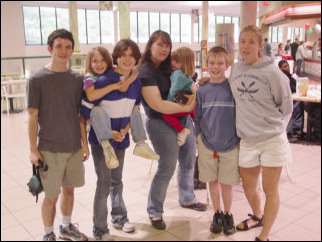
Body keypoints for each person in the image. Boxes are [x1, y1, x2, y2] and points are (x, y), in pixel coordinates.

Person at [138, 30, 207, 230]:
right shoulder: (145, 72)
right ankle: (154, 210)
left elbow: (189, 83)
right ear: (150, 45)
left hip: (183, 120)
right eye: (160, 44)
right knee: (167, 166)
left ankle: (187, 198)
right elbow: (158, 105)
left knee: (187, 161)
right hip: (161, 123)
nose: (164, 49)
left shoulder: (172, 66)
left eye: (167, 45)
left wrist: (199, 84)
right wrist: (186, 107)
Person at [231, 25, 293, 241]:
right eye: (242, 41)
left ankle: (264, 235)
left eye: (251, 42)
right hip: (247, 139)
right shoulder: (236, 69)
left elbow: (286, 107)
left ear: (260, 46)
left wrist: (274, 128)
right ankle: (258, 216)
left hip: (272, 139)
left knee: (269, 188)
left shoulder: (273, 72)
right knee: (248, 186)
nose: (245, 46)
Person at [28, 29, 89, 241]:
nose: (63, 51)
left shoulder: (77, 79)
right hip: (49, 148)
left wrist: (84, 144)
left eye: (68, 47)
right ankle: (48, 233)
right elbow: (33, 116)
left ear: (72, 49)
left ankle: (66, 226)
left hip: (73, 146)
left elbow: (80, 114)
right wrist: (33, 149)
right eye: (59, 46)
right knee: (51, 197)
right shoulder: (37, 79)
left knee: (69, 191)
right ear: (49, 49)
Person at [86, 39, 145, 240]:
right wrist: (109, 133)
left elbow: (133, 108)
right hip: (102, 141)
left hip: (120, 138)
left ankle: (119, 217)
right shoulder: (103, 80)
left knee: (116, 180)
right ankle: (100, 228)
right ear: (116, 57)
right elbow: (89, 111)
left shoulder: (136, 81)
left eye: (132, 55)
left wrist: (125, 130)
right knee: (103, 183)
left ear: (136, 58)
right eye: (123, 55)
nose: (127, 59)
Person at [80, 47, 159, 169]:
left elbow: (133, 71)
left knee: (134, 109)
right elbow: (90, 99)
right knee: (96, 110)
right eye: (95, 61)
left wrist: (125, 129)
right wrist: (116, 86)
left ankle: (140, 144)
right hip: (100, 130)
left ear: (109, 61)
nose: (99, 64)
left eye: (102, 60)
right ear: (89, 64)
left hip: (120, 134)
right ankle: (105, 144)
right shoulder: (90, 80)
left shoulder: (114, 73)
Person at [195, 46, 240, 236]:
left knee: (226, 183)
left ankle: (228, 214)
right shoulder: (202, 89)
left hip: (230, 144)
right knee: (212, 181)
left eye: (220, 63)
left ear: (227, 65)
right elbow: (198, 117)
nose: (215, 67)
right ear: (206, 65)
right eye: (212, 63)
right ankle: (217, 213)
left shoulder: (233, 88)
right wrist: (200, 138)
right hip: (207, 144)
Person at [162, 47, 195, 146]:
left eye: (177, 61)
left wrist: (168, 104)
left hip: (179, 104)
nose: (173, 63)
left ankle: (182, 130)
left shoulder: (178, 74)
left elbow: (174, 90)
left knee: (166, 115)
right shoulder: (187, 75)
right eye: (173, 60)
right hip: (189, 106)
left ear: (184, 63)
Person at [278, 60, 304, 139]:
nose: (287, 68)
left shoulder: (290, 76)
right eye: (284, 67)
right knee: (297, 104)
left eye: (287, 66)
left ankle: (297, 128)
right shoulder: (282, 76)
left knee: (301, 104)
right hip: (285, 100)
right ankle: (291, 131)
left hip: (293, 97)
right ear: (280, 68)